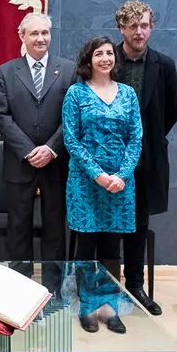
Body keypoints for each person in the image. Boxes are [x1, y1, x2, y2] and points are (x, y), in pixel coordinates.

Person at [62, 36, 142, 332]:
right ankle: (87, 305)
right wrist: (97, 174)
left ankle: (111, 307)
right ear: (89, 60)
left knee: (112, 245)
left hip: (120, 183)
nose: (106, 58)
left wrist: (121, 175)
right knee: (87, 245)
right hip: (86, 182)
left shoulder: (128, 94)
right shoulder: (76, 94)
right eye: (99, 54)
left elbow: (135, 138)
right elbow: (71, 139)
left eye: (110, 53)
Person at [0, 13, 77, 293]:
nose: (40, 38)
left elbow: (73, 116)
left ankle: (53, 289)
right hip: (20, 163)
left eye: (45, 33)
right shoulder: (5, 72)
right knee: (18, 228)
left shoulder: (69, 70)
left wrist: (52, 149)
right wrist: (29, 151)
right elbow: (1, 116)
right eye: (34, 34)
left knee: (55, 228)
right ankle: (20, 288)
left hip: (56, 164)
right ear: (22, 36)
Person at [114, 0, 177, 315]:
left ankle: (135, 285)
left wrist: (144, 141)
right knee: (107, 223)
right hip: (108, 161)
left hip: (146, 160)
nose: (139, 32)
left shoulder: (164, 65)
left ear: (150, 27)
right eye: (133, 26)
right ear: (122, 29)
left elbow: (171, 111)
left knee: (138, 224)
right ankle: (106, 284)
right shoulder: (105, 59)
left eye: (144, 25)